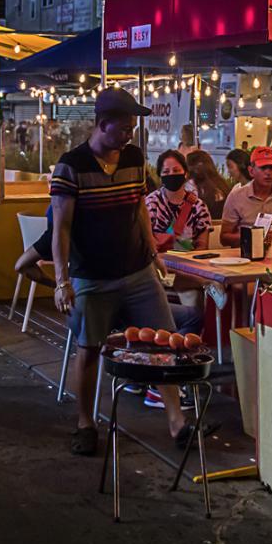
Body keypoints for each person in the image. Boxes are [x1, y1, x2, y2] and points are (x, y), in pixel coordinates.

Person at [51, 88, 198, 456]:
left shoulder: (133, 159)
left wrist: (152, 252)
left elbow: (140, 209)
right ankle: (86, 423)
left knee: (162, 341)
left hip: (138, 272)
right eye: (124, 128)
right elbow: (61, 229)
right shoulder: (71, 166)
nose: (130, 134)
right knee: (88, 349)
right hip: (91, 277)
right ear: (103, 125)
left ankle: (176, 421)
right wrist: (62, 281)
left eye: (133, 127)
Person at [144, 149, 212, 409]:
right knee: (193, 300)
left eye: (176, 171)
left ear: (185, 172)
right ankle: (169, 371)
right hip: (158, 270)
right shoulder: (151, 203)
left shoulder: (197, 205)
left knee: (196, 301)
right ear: (159, 175)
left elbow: (203, 245)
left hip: (187, 270)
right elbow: (148, 242)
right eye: (166, 172)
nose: (172, 176)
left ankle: (177, 364)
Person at [220, 146, 272, 247]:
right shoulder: (236, 196)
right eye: (263, 167)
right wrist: (253, 237)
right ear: (251, 171)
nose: (268, 172)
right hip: (244, 257)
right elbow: (224, 238)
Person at [186, 150, 231, 220]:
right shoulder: (222, 184)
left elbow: (181, 220)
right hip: (223, 227)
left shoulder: (191, 187)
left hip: (202, 228)